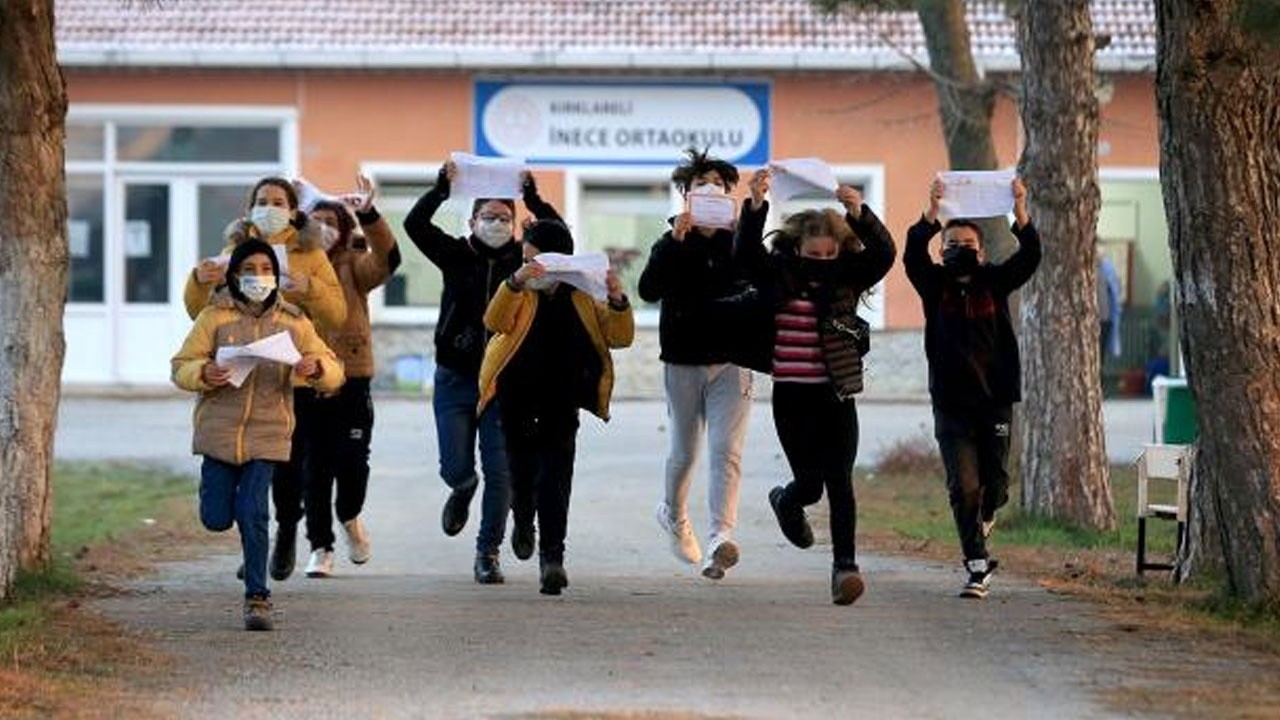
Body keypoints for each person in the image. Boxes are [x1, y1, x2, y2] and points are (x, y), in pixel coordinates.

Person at [735, 169, 897, 605]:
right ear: (797, 247)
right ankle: (788, 502)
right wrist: (755, 205)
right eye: (814, 252)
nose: (822, 259)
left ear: (839, 251)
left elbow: (883, 255)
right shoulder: (778, 276)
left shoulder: (847, 278)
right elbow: (746, 256)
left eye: (829, 252)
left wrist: (860, 213)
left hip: (835, 395)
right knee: (810, 485)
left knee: (840, 481)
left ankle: (845, 568)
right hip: (791, 399)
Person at [171, 238, 344, 631]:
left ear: (276, 276)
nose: (258, 278)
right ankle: (220, 508)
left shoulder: (294, 321)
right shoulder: (214, 318)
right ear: (234, 276)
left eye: (266, 270)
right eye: (249, 271)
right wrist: (203, 373)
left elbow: (333, 370)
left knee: (254, 512)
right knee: (215, 518)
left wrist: (315, 369)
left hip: (268, 434)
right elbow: (182, 364)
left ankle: (257, 597)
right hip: (218, 433)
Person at [404, 162, 562, 584]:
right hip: (455, 376)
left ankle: (487, 552)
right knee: (455, 464)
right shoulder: (455, 253)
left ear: (514, 224)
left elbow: (560, 238)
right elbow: (414, 224)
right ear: (472, 221)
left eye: (504, 217)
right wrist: (441, 189)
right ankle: (461, 486)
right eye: (488, 216)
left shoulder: (523, 259)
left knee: (502, 470)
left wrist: (533, 199)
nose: (496, 223)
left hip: (505, 380)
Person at [184, 176, 348, 583]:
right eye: (262, 201)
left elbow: (336, 315)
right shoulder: (232, 252)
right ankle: (255, 536)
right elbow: (203, 317)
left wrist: (306, 288)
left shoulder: (311, 252)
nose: (269, 207)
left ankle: (282, 535)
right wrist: (198, 281)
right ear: (250, 206)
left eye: (278, 201)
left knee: (284, 476)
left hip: (287, 380)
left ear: (294, 210)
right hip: (234, 384)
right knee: (232, 503)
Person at [477, 219, 635, 595]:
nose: (529, 264)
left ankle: (553, 559)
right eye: (525, 257)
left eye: (535, 258)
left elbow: (620, 337)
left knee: (555, 480)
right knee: (522, 473)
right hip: (515, 397)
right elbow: (493, 321)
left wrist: (617, 300)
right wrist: (515, 282)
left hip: (562, 400)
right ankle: (522, 519)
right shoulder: (519, 290)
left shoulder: (582, 294)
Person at [903, 176, 1040, 599]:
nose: (959, 250)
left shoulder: (995, 282)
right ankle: (977, 566)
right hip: (951, 403)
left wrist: (1020, 213)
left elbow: (1030, 256)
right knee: (963, 486)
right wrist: (930, 216)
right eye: (952, 244)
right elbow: (911, 256)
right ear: (942, 251)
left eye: (968, 244)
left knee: (994, 486)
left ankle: (985, 514)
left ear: (982, 252)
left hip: (995, 398)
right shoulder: (934, 286)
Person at [638, 148, 756, 580]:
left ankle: (719, 539)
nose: (709, 192)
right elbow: (648, 290)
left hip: (732, 360)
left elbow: (762, 282)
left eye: (719, 186)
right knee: (685, 452)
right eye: (699, 185)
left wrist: (752, 220)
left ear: (729, 195)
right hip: (683, 360)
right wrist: (675, 243)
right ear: (685, 196)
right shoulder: (670, 241)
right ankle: (673, 514)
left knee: (727, 449)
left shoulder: (741, 240)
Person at [300, 178, 401, 578]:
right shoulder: (293, 264)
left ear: (343, 228)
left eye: (331, 222)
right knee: (315, 467)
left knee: (353, 462)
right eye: (316, 220)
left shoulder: (354, 264)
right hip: (305, 378)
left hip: (352, 377)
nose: (323, 228)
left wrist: (369, 215)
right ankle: (320, 547)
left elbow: (388, 260)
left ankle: (350, 516)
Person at [1096, 247, 1122, 360]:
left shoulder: (1106, 267)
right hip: (1094, 319)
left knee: (1099, 356)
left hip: (1104, 319)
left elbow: (1116, 289)